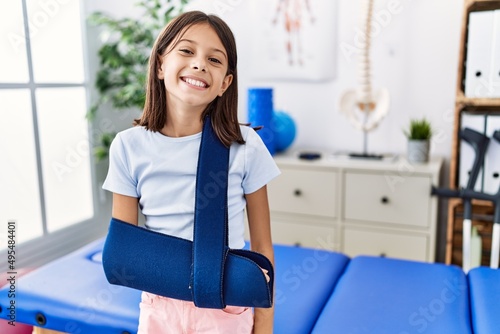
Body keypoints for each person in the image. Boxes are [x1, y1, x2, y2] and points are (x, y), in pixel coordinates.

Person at [102, 10, 280, 334]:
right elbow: (125, 253)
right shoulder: (128, 147)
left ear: (226, 83)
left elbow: (263, 248)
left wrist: (264, 324)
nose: (199, 64)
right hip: (159, 309)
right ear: (159, 65)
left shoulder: (245, 146)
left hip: (225, 309)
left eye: (215, 60)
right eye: (186, 51)